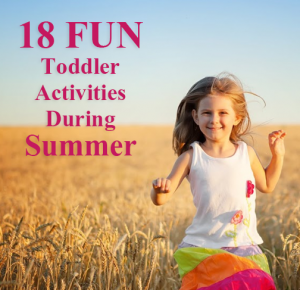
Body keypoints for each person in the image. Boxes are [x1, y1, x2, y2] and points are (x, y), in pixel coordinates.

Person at [150, 72, 286, 289]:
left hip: (244, 244)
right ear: (195, 117)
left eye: (223, 112)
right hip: (204, 247)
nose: (214, 120)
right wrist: (159, 189)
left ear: (237, 117)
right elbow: (161, 200)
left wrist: (277, 155)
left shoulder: (246, 153)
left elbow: (267, 185)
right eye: (206, 113)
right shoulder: (191, 156)